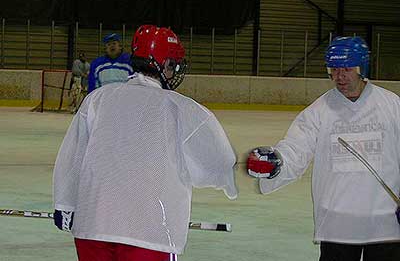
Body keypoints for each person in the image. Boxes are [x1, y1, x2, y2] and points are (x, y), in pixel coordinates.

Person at [53, 25, 238, 261]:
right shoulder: (183, 108)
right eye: (173, 64)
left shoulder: (98, 100)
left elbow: (73, 156)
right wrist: (225, 183)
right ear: (165, 65)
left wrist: (65, 202)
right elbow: (220, 163)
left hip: (93, 227)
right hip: (149, 234)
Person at [246, 36, 400, 261]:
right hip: (338, 222)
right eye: (334, 69)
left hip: (385, 222)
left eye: (346, 68)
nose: (339, 76)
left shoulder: (392, 106)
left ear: (362, 68)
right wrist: (276, 162)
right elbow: (295, 148)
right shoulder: (319, 111)